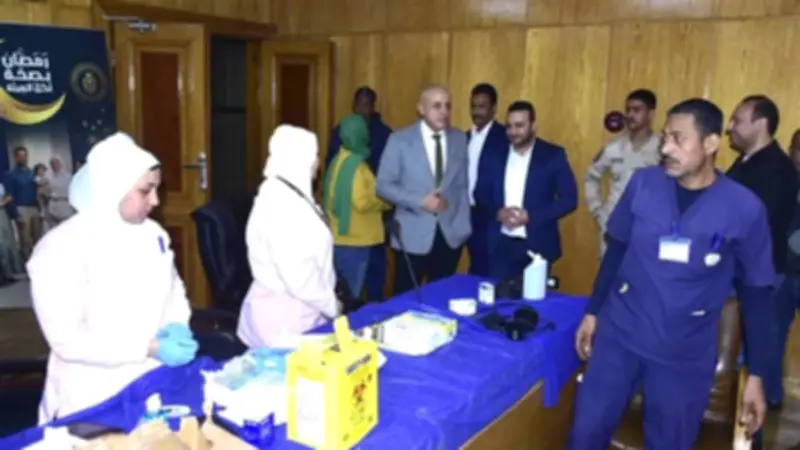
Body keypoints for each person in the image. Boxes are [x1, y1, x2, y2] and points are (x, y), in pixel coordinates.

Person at [569, 98, 773, 449]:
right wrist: (592, 312)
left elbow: (757, 293)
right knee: (584, 435)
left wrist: (757, 374)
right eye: (665, 137)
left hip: (683, 355)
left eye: (678, 139)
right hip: (620, 337)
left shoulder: (744, 208)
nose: (666, 148)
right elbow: (616, 251)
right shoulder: (643, 184)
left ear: (711, 143)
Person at [28, 132, 198, 424]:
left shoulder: (152, 234)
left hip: (150, 380)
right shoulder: (60, 249)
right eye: (146, 191)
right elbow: (67, 340)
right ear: (113, 188)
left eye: (156, 190)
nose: (155, 200)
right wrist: (148, 348)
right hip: (92, 395)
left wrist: (178, 324)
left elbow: (174, 288)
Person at [725, 95, 799, 411]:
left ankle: (748, 423)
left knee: (751, 356)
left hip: (758, 277)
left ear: (761, 124)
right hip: (738, 273)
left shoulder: (776, 170)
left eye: (738, 120)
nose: (729, 127)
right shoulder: (747, 162)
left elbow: (753, 229)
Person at [238, 125, 341, 347]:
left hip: (292, 311)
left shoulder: (281, 193)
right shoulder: (285, 208)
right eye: (314, 156)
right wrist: (333, 307)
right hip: (287, 322)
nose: (317, 163)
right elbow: (301, 279)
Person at [376, 85, 471, 295]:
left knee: (442, 298)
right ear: (421, 109)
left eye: (447, 106)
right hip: (412, 237)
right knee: (406, 299)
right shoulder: (400, 140)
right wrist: (420, 201)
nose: (444, 112)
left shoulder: (459, 139)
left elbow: (462, 186)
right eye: (437, 106)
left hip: (449, 236)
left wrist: (463, 225)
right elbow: (383, 185)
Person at [474, 100, 577, 281]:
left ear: (534, 126)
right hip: (500, 244)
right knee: (499, 296)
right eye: (509, 126)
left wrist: (531, 216)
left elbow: (569, 199)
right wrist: (498, 213)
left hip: (538, 244)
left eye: (520, 126)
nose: (513, 131)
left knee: (533, 297)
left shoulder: (552, 155)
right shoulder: (493, 154)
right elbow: (480, 193)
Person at [325, 87, 393, 302]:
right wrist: (386, 201)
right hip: (358, 235)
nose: (362, 109)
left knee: (362, 285)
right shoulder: (354, 163)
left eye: (366, 104)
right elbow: (362, 200)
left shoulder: (343, 157)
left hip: (349, 231)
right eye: (359, 104)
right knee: (351, 293)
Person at [585, 89, 661, 257]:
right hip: (612, 223)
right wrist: (597, 211)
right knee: (609, 270)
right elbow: (591, 177)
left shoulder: (662, 149)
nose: (630, 115)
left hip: (648, 225)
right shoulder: (613, 148)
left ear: (650, 114)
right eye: (628, 110)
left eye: (637, 110)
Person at [466, 83, 508, 276]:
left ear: (494, 108)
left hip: (490, 216)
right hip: (464, 213)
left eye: (482, 107)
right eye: (473, 106)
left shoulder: (505, 138)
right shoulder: (463, 138)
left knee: (486, 270)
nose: (477, 112)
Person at [4, 146, 38, 260]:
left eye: (25, 155)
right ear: (16, 158)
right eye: (20, 156)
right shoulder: (11, 175)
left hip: (35, 208)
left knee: (38, 238)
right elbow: (10, 195)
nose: (23, 158)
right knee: (26, 240)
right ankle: (27, 264)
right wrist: (16, 214)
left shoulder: (31, 172)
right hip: (21, 208)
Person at [0, 182, 23, 285]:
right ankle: (4, 276)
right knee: (2, 245)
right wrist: (5, 201)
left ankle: (8, 274)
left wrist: (6, 200)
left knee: (6, 243)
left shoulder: (1, 184)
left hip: (3, 213)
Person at [46, 155, 75, 228]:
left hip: (65, 206)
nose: (54, 165)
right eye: (52, 163)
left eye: (56, 162)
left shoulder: (68, 177)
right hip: (52, 207)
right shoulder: (48, 178)